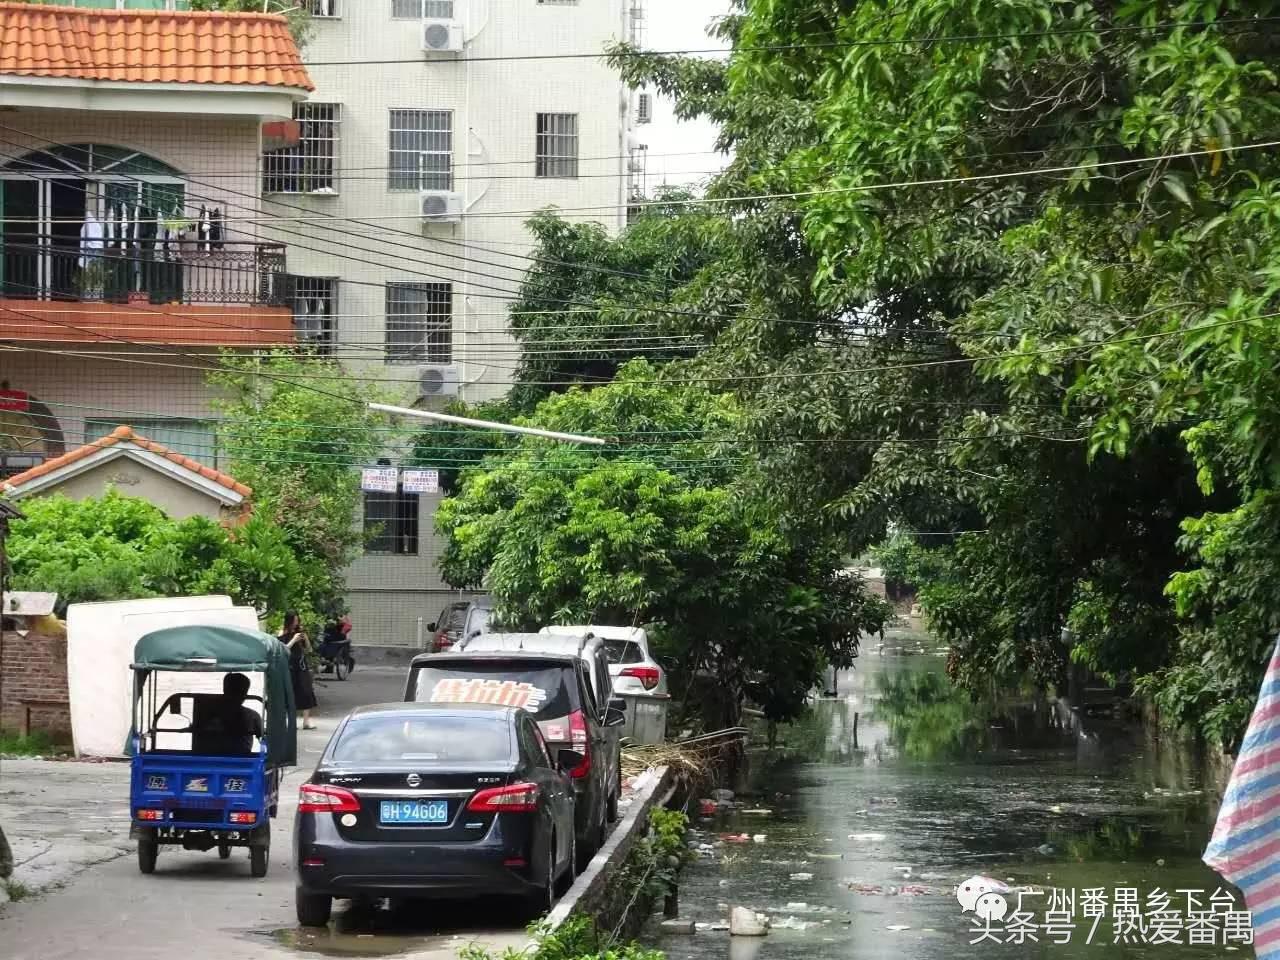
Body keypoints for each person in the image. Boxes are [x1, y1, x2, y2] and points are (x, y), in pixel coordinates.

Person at [280, 611, 318, 730]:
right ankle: (292, 721)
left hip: (301, 666)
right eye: (294, 621)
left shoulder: (300, 633)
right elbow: (283, 649)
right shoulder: (282, 632)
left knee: (306, 691)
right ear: (289, 621)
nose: (296, 623)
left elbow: (309, 650)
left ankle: (306, 721)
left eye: (297, 621)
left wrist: (305, 639)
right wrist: (293, 640)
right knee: (291, 692)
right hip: (290, 666)